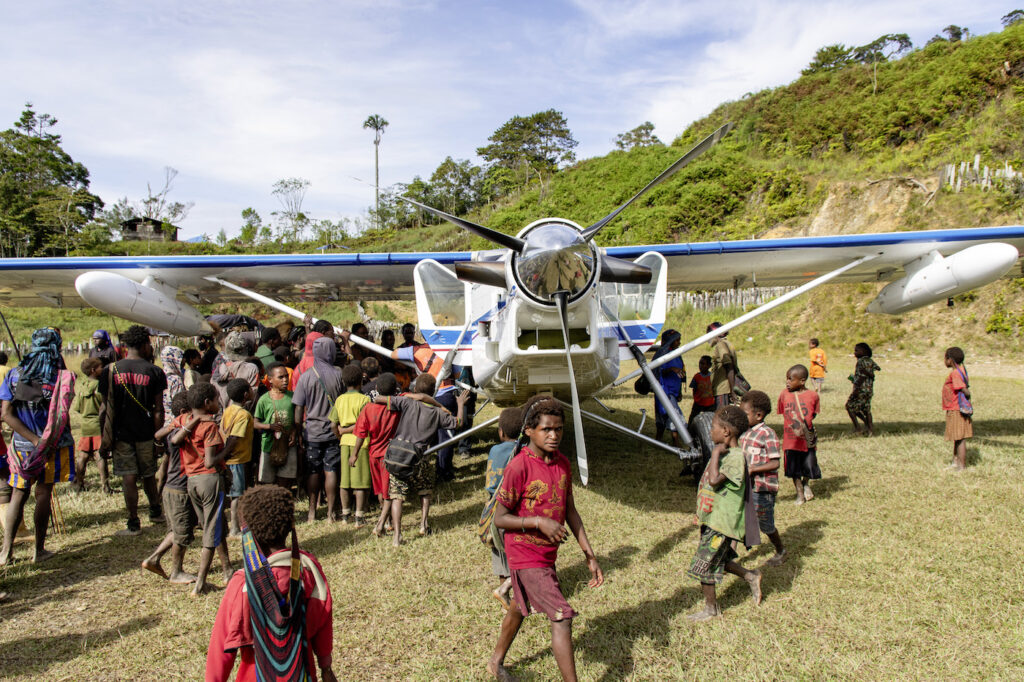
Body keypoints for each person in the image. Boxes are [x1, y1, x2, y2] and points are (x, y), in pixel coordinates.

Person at [488, 398, 603, 681]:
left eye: (559, 429)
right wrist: (538, 521)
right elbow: (499, 518)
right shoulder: (519, 467)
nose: (554, 435)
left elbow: (570, 510)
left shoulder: (562, 463)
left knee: (519, 605)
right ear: (529, 430)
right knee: (561, 616)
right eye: (546, 429)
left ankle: (495, 662)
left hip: (547, 554)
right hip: (524, 552)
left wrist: (589, 554)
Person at [206, 485, 336, 682]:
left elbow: (221, 646)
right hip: (302, 672)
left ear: (250, 533)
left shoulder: (243, 584)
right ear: (289, 526)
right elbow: (323, 623)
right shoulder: (309, 571)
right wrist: (326, 667)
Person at [0, 328, 74, 565]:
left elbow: (6, 414)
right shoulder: (59, 376)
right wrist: (41, 441)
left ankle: (5, 552)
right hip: (51, 446)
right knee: (43, 494)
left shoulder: (15, 373)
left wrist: (32, 440)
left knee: (18, 494)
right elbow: (63, 415)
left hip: (22, 445)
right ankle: (38, 551)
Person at [687, 405, 762, 621]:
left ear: (726, 432)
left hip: (722, 523)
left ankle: (711, 609)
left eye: (713, 428)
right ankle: (751, 576)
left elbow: (714, 481)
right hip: (713, 519)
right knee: (718, 560)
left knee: (704, 564)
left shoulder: (735, 457)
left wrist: (715, 454)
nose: (710, 432)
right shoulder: (726, 454)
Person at [383, 374, 467, 546]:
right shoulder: (437, 412)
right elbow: (458, 423)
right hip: (419, 457)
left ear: (415, 389)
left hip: (398, 455)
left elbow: (379, 398)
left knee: (397, 496)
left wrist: (412, 396)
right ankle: (423, 524)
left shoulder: (406, 402)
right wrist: (459, 405)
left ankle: (397, 535)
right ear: (433, 392)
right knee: (425, 490)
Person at [98, 324, 166, 537]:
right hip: (146, 433)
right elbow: (158, 410)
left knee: (128, 476)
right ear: (145, 345)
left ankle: (133, 523)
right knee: (148, 473)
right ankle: (155, 511)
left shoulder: (110, 370)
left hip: (120, 434)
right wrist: (158, 439)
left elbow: (104, 409)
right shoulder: (154, 371)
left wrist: (105, 436)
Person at [170, 381, 232, 596]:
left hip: (192, 481)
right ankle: (200, 584)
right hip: (209, 480)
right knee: (210, 532)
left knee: (211, 525)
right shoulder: (209, 426)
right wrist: (229, 449)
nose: (218, 403)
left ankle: (227, 570)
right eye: (216, 400)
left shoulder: (184, 420)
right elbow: (209, 461)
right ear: (207, 403)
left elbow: (164, 435)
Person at [141, 391, 197, 584]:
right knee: (181, 533)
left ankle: (154, 559)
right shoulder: (181, 434)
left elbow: (158, 435)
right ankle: (176, 572)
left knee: (176, 530)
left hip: (171, 487)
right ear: (184, 412)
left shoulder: (171, 429)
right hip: (179, 489)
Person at [292, 336, 344, 522]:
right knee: (331, 470)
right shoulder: (339, 374)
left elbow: (298, 408)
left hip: (312, 432)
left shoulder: (306, 376)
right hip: (334, 431)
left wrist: (298, 431)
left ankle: (312, 512)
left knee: (313, 471)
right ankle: (331, 513)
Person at [739, 390, 786, 566]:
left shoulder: (767, 434)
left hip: (762, 489)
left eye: (745, 414)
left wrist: (753, 469)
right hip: (746, 487)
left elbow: (775, 463)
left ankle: (780, 550)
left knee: (765, 524)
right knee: (739, 518)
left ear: (758, 415)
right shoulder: (745, 432)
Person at [351, 373, 401, 538]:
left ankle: (388, 522)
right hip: (389, 454)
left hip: (372, 453)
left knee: (380, 490)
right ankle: (381, 524)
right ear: (395, 390)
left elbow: (360, 434)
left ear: (377, 389)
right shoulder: (396, 407)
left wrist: (354, 454)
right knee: (389, 493)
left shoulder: (368, 409)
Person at [484, 406, 523, 610]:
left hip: (494, 508)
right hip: (515, 511)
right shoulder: (523, 452)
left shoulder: (494, 450)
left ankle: (504, 593)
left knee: (499, 553)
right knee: (518, 552)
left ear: (501, 431)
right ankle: (517, 595)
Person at [330, 364, 371, 526]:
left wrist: (340, 433)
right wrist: (349, 429)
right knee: (360, 482)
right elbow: (364, 423)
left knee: (345, 482)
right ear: (361, 381)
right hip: (361, 444)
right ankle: (359, 517)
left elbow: (333, 424)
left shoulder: (340, 399)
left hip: (344, 444)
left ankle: (346, 514)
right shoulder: (364, 399)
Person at [777, 365, 820, 505]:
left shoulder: (813, 396)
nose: (787, 382)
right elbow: (784, 412)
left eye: (791, 379)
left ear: (802, 381)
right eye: (787, 379)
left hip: (807, 440)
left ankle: (806, 483)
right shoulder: (784, 394)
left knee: (808, 465)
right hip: (790, 441)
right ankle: (799, 492)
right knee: (793, 468)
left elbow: (812, 415)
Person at [253, 363, 298, 489]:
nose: (285, 380)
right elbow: (255, 423)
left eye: (286, 377)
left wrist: (294, 432)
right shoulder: (264, 399)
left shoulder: (292, 397)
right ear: (270, 379)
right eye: (280, 377)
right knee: (267, 481)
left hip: (288, 445)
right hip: (269, 445)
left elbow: (296, 420)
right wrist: (269, 427)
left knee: (285, 480)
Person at [71, 356, 111, 494]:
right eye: (101, 367)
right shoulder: (99, 386)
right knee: (100, 455)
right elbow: (105, 406)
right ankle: (105, 485)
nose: (103, 369)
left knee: (82, 456)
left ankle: (78, 483)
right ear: (94, 370)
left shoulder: (82, 386)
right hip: (97, 424)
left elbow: (76, 407)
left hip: (85, 425)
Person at [221, 378, 255, 537]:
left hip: (232, 459)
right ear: (246, 394)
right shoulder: (244, 415)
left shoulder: (228, 410)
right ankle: (235, 528)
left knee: (236, 493)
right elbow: (235, 438)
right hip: (237, 460)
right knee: (237, 495)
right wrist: (225, 454)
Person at [652, 329, 685, 446]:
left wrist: (680, 391)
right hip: (664, 390)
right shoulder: (662, 354)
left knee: (666, 415)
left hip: (673, 390)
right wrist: (671, 369)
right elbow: (658, 370)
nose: (679, 343)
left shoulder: (677, 355)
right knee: (672, 415)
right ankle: (675, 443)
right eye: (677, 341)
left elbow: (681, 373)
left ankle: (659, 441)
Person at [943, 346, 973, 471]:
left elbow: (964, 390)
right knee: (957, 436)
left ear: (950, 360)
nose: (944, 361)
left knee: (960, 438)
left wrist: (966, 394)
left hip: (957, 409)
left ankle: (962, 466)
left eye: (945, 358)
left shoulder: (955, 373)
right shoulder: (961, 370)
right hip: (954, 408)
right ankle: (955, 462)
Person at [213, 332, 259, 412]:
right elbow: (253, 397)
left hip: (227, 417)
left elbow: (216, 401)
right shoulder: (251, 368)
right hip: (246, 416)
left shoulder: (219, 370)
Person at [846, 342, 881, 436]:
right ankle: (870, 428)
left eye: (857, 350)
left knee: (850, 407)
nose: (855, 352)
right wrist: (869, 373)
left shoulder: (861, 361)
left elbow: (861, 376)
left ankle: (858, 427)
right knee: (866, 409)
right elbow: (877, 369)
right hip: (869, 389)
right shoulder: (870, 361)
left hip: (861, 389)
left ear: (864, 351)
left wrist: (856, 388)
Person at [707, 322, 737, 407]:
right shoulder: (727, 343)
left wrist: (732, 391)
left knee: (721, 417)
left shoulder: (721, 345)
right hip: (724, 389)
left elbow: (729, 366)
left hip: (722, 389)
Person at [161, 345, 186, 420]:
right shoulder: (176, 380)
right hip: (173, 421)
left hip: (162, 419)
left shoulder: (160, 375)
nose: (184, 360)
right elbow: (179, 404)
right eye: (181, 358)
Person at [688, 355, 715, 424]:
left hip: (710, 403)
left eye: (703, 364)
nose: (700, 366)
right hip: (698, 402)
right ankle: (689, 432)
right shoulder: (697, 376)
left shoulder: (712, 377)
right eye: (700, 363)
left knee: (711, 419)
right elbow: (694, 389)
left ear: (709, 365)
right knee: (692, 418)